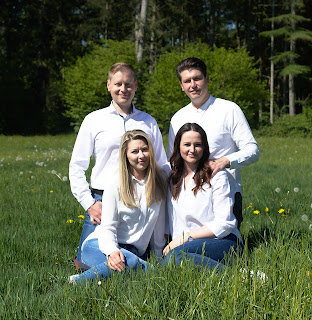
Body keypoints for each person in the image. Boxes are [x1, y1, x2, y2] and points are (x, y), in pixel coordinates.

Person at [69, 63, 167, 268]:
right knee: (87, 261)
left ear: (136, 86)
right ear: (108, 85)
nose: (124, 89)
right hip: (102, 200)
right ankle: (136, 268)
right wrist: (89, 203)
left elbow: (161, 163)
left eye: (128, 84)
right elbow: (77, 166)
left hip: (140, 199)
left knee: (127, 256)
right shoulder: (94, 120)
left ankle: (135, 265)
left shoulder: (148, 122)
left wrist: (162, 194)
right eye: (118, 84)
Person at [167, 57, 259, 229]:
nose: (193, 85)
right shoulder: (177, 118)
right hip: (188, 201)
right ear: (181, 86)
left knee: (225, 251)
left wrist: (224, 161)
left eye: (197, 78)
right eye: (187, 81)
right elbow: (172, 160)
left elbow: (252, 150)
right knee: (186, 250)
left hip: (226, 194)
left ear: (207, 79)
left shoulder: (229, 109)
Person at [69, 130, 167, 283]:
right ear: (126, 155)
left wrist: (159, 256)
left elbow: (158, 226)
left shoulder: (159, 182)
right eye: (134, 151)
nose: (141, 155)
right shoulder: (115, 183)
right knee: (134, 264)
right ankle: (75, 282)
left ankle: (93, 276)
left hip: (132, 251)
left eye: (144, 149)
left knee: (129, 265)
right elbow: (108, 227)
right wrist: (112, 251)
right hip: (100, 246)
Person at [164, 123, 243, 271]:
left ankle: (242, 277)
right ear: (178, 146)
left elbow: (224, 224)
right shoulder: (172, 177)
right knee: (168, 263)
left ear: (205, 147)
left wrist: (185, 237)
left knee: (175, 257)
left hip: (222, 241)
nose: (192, 150)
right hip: (186, 245)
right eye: (187, 144)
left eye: (198, 145)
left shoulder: (217, 175)